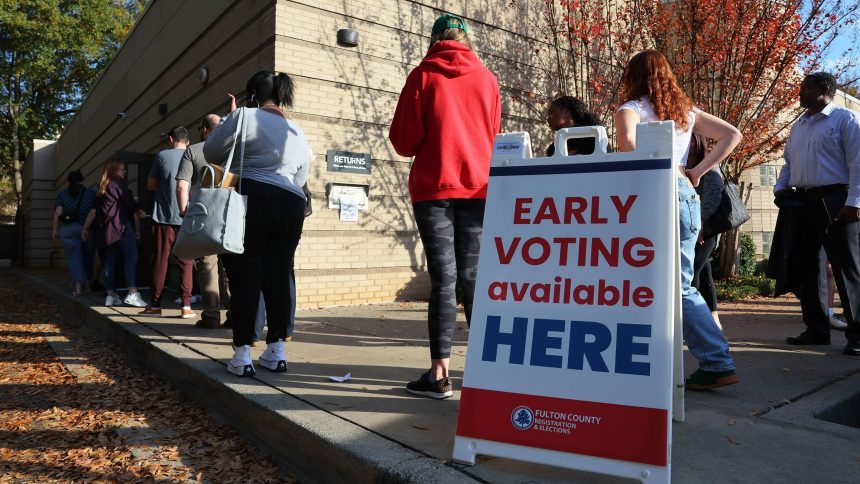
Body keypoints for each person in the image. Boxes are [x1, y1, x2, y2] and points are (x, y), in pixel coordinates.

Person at [614, 50, 741, 390]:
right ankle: (675, 356)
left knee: (666, 285)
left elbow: (626, 144)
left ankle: (716, 361)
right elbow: (733, 134)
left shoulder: (631, 109)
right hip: (685, 195)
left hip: (651, 198)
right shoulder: (685, 112)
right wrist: (697, 170)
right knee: (671, 283)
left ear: (633, 76)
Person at [389, 12, 501, 399]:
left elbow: (403, 141)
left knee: (445, 281)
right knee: (473, 280)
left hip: (435, 190)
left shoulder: (422, 76)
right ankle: (486, 374)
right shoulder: (487, 80)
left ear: (434, 41)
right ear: (467, 40)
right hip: (478, 187)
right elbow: (493, 133)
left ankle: (439, 375)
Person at [204, 71, 311, 377]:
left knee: (245, 275)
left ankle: (242, 354)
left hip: (254, 197)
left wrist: (232, 122)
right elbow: (301, 177)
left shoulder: (244, 116)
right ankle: (276, 350)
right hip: (291, 203)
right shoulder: (296, 130)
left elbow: (211, 152)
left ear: (252, 94)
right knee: (278, 274)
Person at [775, 72, 860, 355]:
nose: (800, 92)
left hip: (837, 199)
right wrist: (780, 188)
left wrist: (855, 202)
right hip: (803, 202)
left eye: (805, 88)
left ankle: (857, 335)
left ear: (823, 89)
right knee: (808, 268)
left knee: (847, 268)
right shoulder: (799, 125)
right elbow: (788, 162)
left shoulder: (845, 120)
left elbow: (858, 163)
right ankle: (816, 329)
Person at [176, 114, 229, 328]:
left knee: (207, 265)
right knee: (229, 267)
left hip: (203, 214)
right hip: (227, 214)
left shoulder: (193, 150)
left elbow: (182, 186)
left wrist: (183, 212)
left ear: (205, 129)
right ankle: (234, 316)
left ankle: (211, 315)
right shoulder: (231, 151)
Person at [138, 126, 195, 319]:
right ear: (187, 141)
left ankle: (155, 305)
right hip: (187, 216)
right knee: (186, 261)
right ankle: (186, 305)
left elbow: (151, 185)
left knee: (161, 260)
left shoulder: (162, 156)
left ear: (170, 139)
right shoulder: (193, 154)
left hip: (164, 216)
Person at [81, 158, 147, 307]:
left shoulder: (101, 189)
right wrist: (139, 210)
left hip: (106, 232)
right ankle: (132, 293)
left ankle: (110, 296)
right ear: (113, 171)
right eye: (121, 169)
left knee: (110, 263)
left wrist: (85, 228)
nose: (124, 171)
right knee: (131, 258)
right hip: (121, 228)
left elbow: (93, 211)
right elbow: (129, 202)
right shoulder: (118, 184)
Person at [687, 133, 725, 330]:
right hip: (686, 228)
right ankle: (713, 317)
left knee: (692, 272)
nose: (689, 143)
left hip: (706, 230)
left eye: (693, 139)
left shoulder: (708, 164)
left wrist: (699, 223)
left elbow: (712, 195)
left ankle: (695, 322)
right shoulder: (678, 163)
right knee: (704, 271)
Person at [52, 170, 96, 296]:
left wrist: (55, 230)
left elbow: (58, 213)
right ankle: (86, 280)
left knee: (74, 258)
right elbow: (94, 211)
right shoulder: (90, 193)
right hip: (86, 229)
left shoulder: (62, 194)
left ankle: (77, 287)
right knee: (88, 256)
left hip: (68, 230)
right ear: (81, 179)